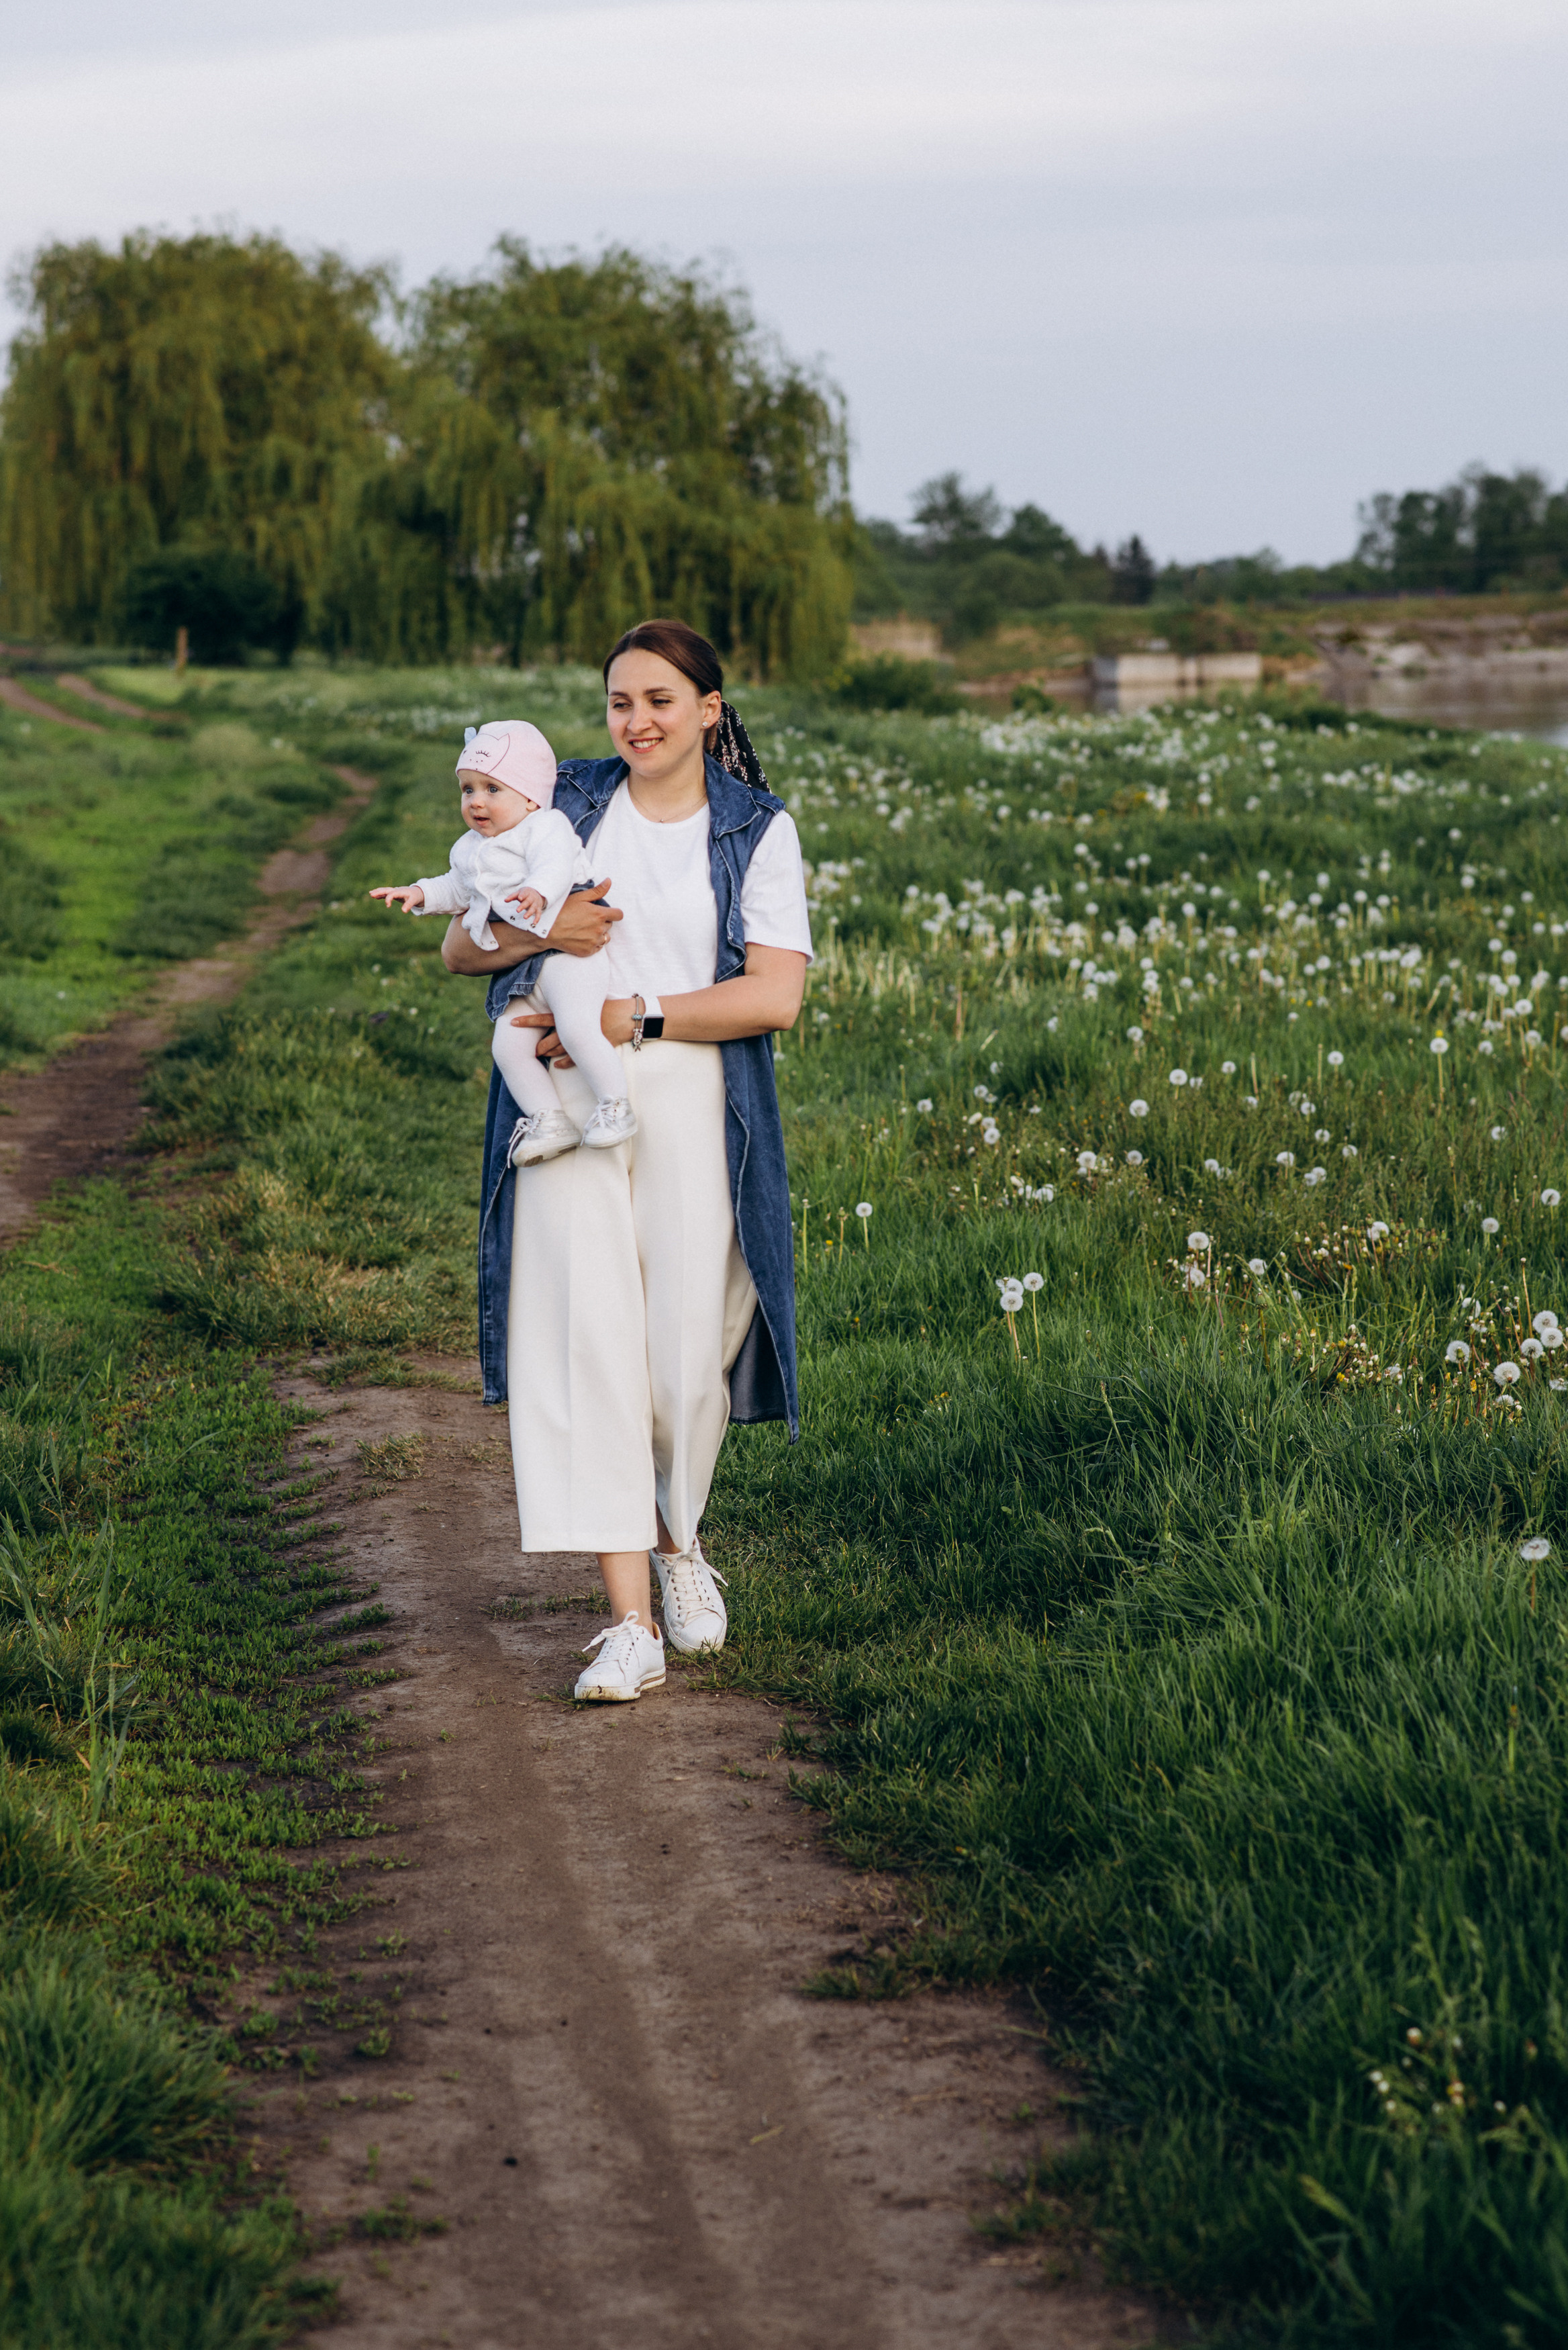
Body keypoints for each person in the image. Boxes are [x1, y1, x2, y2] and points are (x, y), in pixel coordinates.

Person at [441, 619, 810, 1702]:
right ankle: (631, 1621)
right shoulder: (565, 805)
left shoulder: (755, 829)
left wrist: (629, 1011)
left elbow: (774, 997)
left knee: (686, 1358)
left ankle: (683, 1540)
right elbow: (462, 944)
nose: (636, 722)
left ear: (708, 708)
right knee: (590, 1345)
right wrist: (541, 945)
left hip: (692, 1098)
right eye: (619, 702)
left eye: (658, 700)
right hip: (563, 1100)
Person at [369, 719, 633, 1163]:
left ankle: (616, 1104)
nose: (476, 802)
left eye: (493, 789)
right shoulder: (470, 848)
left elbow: (556, 865)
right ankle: (550, 1119)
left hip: (570, 954)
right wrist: (418, 893)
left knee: (576, 1026)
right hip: (525, 969)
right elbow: (457, 887)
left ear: (530, 796)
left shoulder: (544, 826)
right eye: (467, 789)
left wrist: (539, 892)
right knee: (507, 1047)